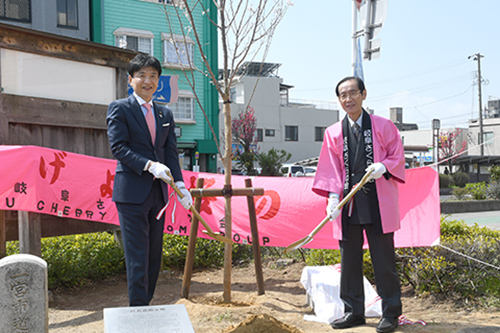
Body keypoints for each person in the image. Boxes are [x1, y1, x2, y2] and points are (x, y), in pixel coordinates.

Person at [312, 76, 405, 333]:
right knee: (349, 262)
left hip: (378, 204)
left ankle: (391, 313)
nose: (348, 99)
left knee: (384, 262)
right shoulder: (332, 133)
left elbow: (397, 155)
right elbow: (330, 170)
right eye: (343, 95)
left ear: (364, 94)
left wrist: (384, 166)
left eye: (353, 93)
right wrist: (333, 199)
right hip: (348, 205)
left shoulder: (384, 127)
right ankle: (353, 312)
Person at [107, 53, 192, 306]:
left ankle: (147, 306)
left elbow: (170, 152)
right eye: (142, 75)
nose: (148, 80)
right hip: (132, 193)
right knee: (137, 256)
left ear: (159, 81)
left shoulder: (165, 114)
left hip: (159, 195)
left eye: (153, 76)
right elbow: (118, 148)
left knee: (154, 256)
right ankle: (138, 312)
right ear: (130, 79)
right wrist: (148, 165)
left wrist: (180, 185)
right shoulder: (120, 108)